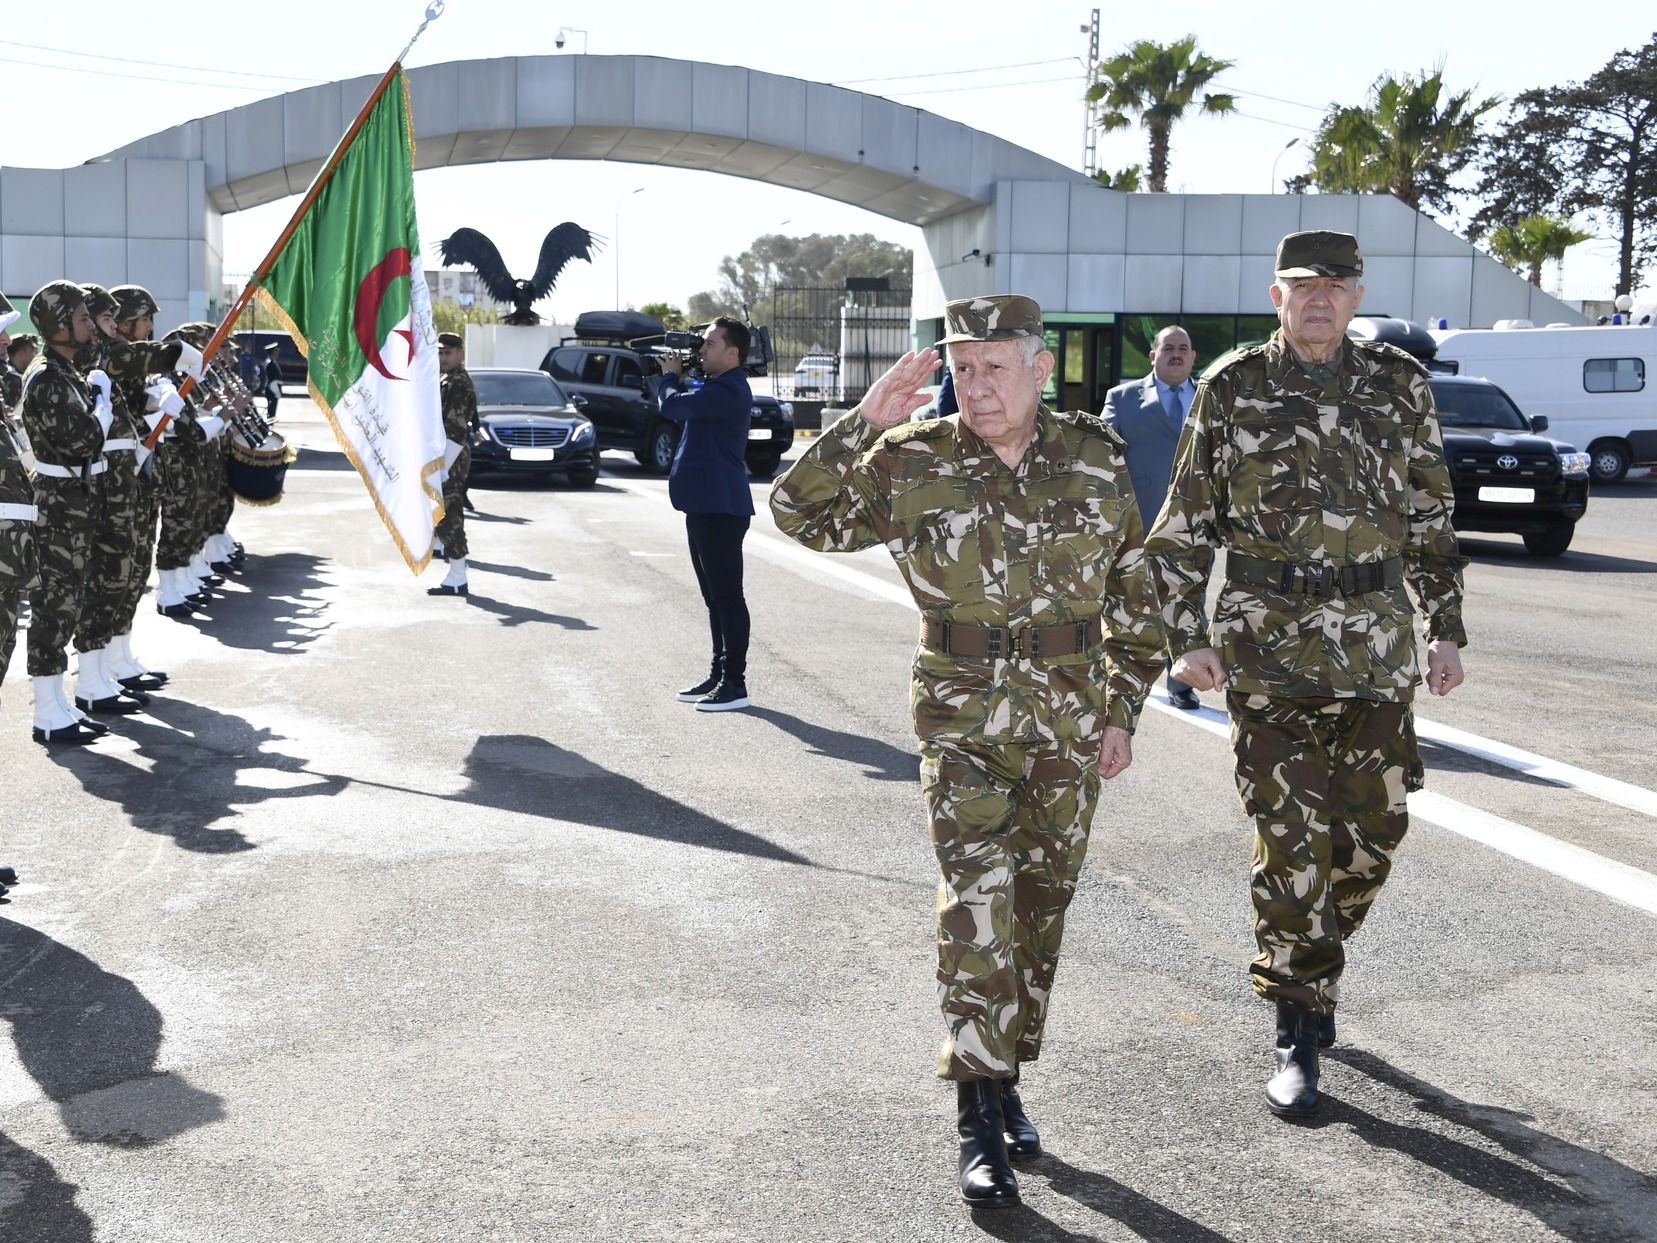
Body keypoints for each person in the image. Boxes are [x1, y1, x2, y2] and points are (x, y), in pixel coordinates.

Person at [771, 295, 1165, 1208]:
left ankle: (1005, 1071)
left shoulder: (1094, 455)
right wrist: (862, 422)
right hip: (961, 719)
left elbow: (1135, 577)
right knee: (977, 904)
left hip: (1068, 717)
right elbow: (798, 514)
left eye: (994, 366)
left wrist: (1125, 706)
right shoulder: (912, 458)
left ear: (1040, 368)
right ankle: (975, 1112)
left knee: (1037, 907)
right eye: (961, 365)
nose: (974, 385)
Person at [1143, 230, 1468, 1119]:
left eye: (1334, 284)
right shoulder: (1232, 386)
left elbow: (1432, 516)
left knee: (1370, 837)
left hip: (1374, 649)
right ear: (1275, 295)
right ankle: (1295, 1018)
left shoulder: (1398, 385)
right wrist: (1185, 633)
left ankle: (1310, 960)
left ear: (1357, 295)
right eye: (1301, 285)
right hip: (1268, 650)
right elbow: (1180, 528)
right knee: (1290, 840)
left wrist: (1445, 628)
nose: (1318, 298)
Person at [19, 281, 109, 744]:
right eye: (81, 317)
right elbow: (82, 441)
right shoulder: (49, 378)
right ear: (58, 325)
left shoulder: (66, 371)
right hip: (56, 507)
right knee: (55, 607)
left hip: (72, 505)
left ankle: (60, 703)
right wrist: (104, 415)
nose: (90, 324)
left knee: (69, 602)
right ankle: (46, 712)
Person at [659, 316, 756, 712]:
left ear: (733, 352)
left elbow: (671, 406)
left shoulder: (730, 390)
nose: (702, 349)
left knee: (728, 598)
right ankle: (718, 674)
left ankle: (735, 683)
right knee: (713, 598)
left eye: (711, 344)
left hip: (721, 509)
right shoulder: (716, 388)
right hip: (703, 506)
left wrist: (669, 377)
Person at [1103, 325, 1202, 709]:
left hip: (1195, 525)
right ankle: (1121, 682)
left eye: (1184, 348)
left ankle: (1181, 683)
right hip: (1139, 522)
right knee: (1133, 606)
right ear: (1153, 356)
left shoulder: (1209, 399)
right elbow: (1104, 455)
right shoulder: (1123, 398)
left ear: (1194, 357)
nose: (1176, 354)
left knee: (1188, 601)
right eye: (1168, 348)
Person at [429, 331, 476, 597]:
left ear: (461, 353)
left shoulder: (458, 383)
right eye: (441, 352)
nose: (444, 357)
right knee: (443, 513)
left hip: (452, 455)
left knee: (450, 515)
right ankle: (455, 572)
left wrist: (443, 467)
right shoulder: (448, 379)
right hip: (445, 453)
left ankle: (458, 576)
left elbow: (457, 430)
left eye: (448, 352)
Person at [260, 342, 283, 419]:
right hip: (272, 388)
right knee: (271, 410)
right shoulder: (270, 363)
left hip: (273, 387)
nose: (278, 352)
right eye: (276, 350)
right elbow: (272, 378)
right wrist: (276, 390)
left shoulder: (272, 361)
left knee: (272, 409)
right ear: (272, 352)